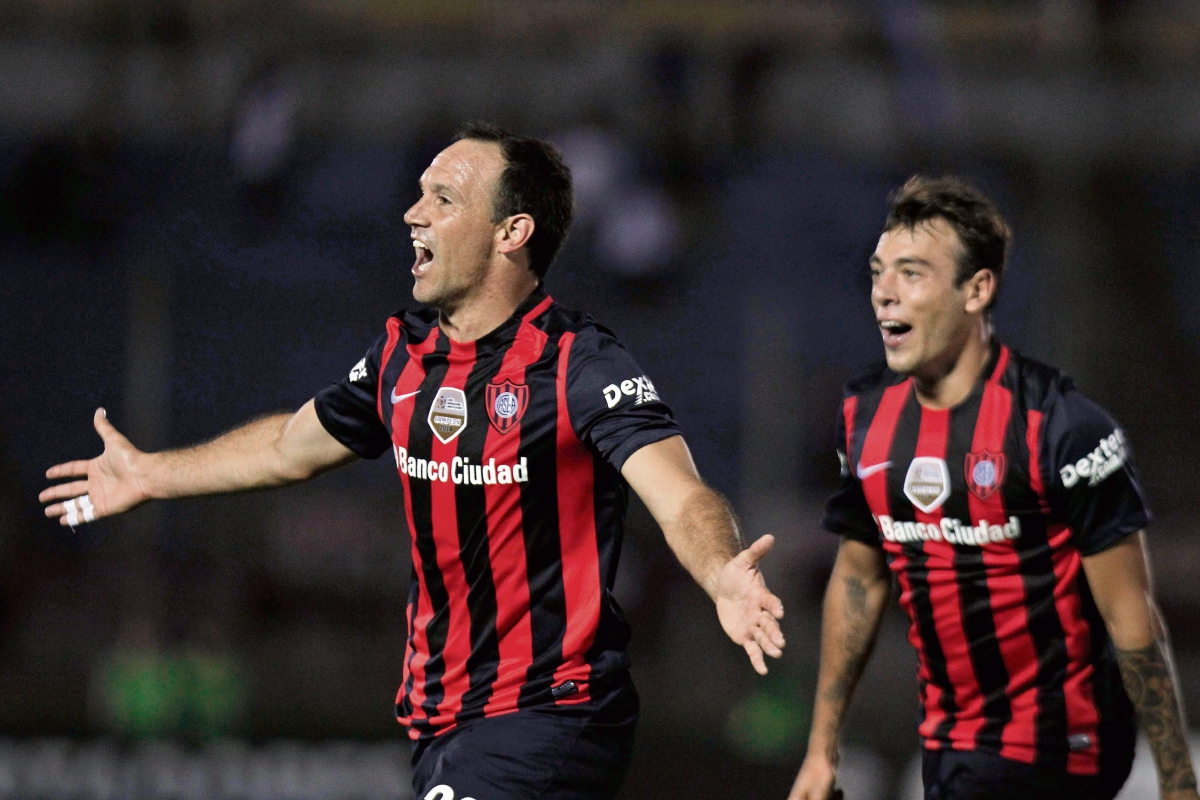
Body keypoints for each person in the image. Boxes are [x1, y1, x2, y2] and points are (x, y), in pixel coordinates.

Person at [40, 122, 786, 800]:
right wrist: (149, 473)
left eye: (443, 198)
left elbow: (679, 494)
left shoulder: (577, 367)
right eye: (418, 195)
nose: (413, 215)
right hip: (442, 725)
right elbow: (286, 447)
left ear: (511, 231)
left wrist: (721, 571)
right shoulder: (404, 354)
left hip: (548, 714)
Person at [787, 176, 1198, 800]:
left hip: (1062, 747)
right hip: (950, 748)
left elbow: (1128, 609)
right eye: (879, 273)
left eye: (912, 273)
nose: (885, 295)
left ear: (977, 289)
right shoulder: (864, 421)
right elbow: (860, 577)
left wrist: (1177, 777)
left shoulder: (1063, 428)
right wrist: (821, 750)